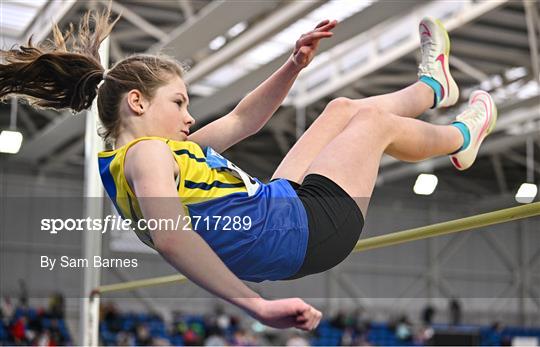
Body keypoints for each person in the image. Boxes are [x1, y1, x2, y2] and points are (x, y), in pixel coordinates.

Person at [0, 7, 497, 331]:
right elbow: (172, 239)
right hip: (305, 230)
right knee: (369, 124)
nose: (190, 115)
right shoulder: (147, 157)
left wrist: (293, 65)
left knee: (342, 109)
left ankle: (435, 88)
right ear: (137, 102)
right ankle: (461, 136)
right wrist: (255, 306)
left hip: (284, 209)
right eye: (179, 101)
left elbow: (242, 119)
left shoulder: (165, 152)